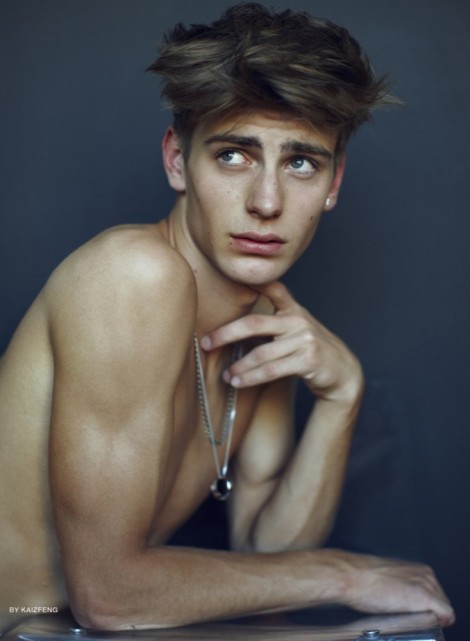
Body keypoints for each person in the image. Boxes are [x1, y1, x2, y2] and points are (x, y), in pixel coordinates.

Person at [0, 2, 455, 634]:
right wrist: (345, 574)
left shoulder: (262, 324)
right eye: (234, 155)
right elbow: (109, 595)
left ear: (333, 183)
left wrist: (342, 396)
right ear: (177, 160)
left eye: (301, 162)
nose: (267, 202)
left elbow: (267, 564)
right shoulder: (133, 274)